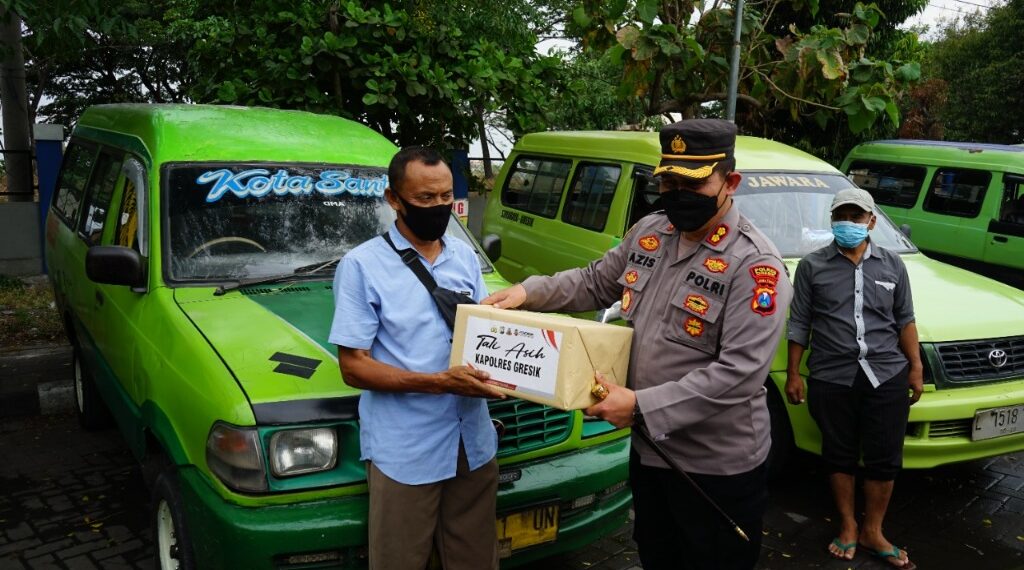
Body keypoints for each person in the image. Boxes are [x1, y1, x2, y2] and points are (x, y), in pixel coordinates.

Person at [483, 119, 793, 570]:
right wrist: (527, 293)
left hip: (714, 467)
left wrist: (640, 405)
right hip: (650, 451)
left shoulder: (754, 264)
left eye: (694, 182)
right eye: (668, 180)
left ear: (731, 182)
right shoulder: (651, 232)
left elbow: (740, 373)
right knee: (657, 554)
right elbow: (594, 281)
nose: (677, 193)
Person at [329, 146, 504, 570]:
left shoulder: (464, 257)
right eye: (425, 199)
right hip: (406, 448)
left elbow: (485, 338)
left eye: (446, 197)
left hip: (473, 441)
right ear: (394, 199)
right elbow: (353, 366)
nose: (438, 207)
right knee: (402, 560)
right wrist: (439, 382)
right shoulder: (361, 266)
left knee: (474, 558)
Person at [785, 187, 922, 570]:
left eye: (857, 217)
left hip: (886, 374)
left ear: (872, 222)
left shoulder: (893, 265)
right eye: (842, 216)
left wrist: (915, 367)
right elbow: (800, 323)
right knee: (839, 453)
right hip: (832, 374)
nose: (849, 223)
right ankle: (847, 524)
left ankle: (873, 531)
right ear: (832, 221)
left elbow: (904, 319)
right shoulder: (812, 267)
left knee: (884, 458)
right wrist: (794, 373)